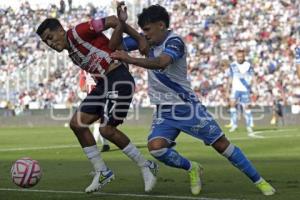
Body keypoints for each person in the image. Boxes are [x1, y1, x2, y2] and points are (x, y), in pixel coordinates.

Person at [111, 4, 275, 196]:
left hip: (187, 108)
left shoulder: (175, 42)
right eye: (142, 31)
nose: (144, 34)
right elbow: (114, 46)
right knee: (156, 148)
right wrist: (121, 23)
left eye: (147, 29)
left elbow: (161, 62)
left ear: (161, 25)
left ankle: (260, 181)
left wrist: (130, 59)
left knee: (221, 145)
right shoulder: (147, 40)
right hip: (164, 111)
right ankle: (192, 168)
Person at [36, 9, 158, 193]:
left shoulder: (79, 31)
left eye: (50, 37)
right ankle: (102, 171)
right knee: (77, 124)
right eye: (46, 42)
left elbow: (113, 21)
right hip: (103, 84)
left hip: (119, 79)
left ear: (61, 30)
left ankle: (145, 165)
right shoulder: (72, 52)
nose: (50, 43)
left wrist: (139, 38)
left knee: (106, 130)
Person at [79, 70, 110, 152]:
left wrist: (89, 84)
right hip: (97, 97)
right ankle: (105, 144)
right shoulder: (94, 69)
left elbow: (82, 88)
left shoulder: (85, 72)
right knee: (99, 123)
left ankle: (93, 146)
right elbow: (83, 88)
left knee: (97, 123)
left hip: (96, 98)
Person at [227, 49, 255, 134]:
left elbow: (253, 77)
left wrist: (254, 88)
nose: (240, 58)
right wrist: (228, 89)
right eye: (238, 57)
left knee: (247, 107)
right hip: (235, 89)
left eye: (241, 57)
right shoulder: (232, 65)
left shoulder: (248, 65)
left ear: (244, 57)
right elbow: (230, 78)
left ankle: (249, 126)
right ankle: (234, 124)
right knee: (232, 105)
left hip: (245, 89)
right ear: (236, 57)